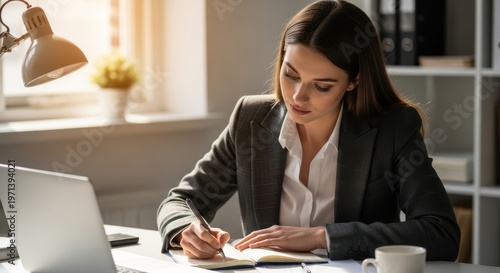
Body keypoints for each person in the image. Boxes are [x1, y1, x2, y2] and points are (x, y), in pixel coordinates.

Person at [157, 0, 460, 261]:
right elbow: (180, 201)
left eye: (322, 86)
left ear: (353, 81)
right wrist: (186, 230)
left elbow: (440, 232)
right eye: (291, 74)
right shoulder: (251, 119)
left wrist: (321, 237)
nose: (298, 97)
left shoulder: (393, 128)